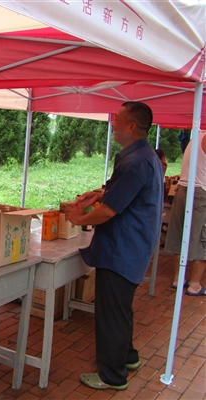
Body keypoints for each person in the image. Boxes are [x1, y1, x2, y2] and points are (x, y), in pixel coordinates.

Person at [65, 101, 164, 391]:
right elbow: (119, 192)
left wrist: (78, 218)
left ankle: (112, 375)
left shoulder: (136, 162)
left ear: (130, 126)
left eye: (117, 119)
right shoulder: (145, 156)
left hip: (122, 248)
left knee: (111, 313)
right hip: (133, 246)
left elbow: (109, 211)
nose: (113, 122)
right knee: (121, 308)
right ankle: (128, 356)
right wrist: (98, 194)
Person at [164, 129, 206, 296]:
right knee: (201, 239)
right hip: (200, 192)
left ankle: (178, 279)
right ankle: (194, 285)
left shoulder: (197, 136)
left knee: (179, 235)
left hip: (182, 189)